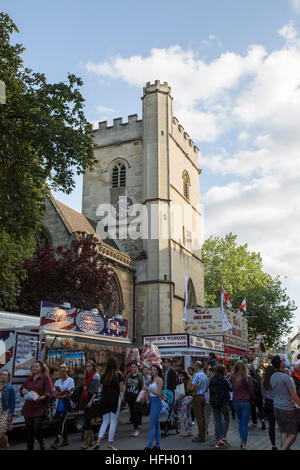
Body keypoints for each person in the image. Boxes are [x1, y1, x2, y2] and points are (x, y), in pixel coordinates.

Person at [20, 360, 53, 450]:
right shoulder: (29, 379)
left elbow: (49, 391)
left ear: (41, 368)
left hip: (39, 406)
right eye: (33, 366)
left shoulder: (45, 377)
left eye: (36, 366)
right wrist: (23, 391)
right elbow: (22, 389)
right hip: (28, 406)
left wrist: (43, 397)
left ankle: (41, 442)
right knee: (29, 431)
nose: (34, 368)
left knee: (36, 429)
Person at [92, 356, 123, 450]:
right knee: (113, 422)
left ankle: (98, 442)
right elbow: (121, 388)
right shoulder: (118, 374)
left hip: (105, 399)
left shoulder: (103, 375)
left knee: (105, 421)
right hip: (114, 399)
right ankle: (110, 444)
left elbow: (100, 390)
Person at [270, 355, 300, 450]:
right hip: (286, 408)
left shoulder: (272, 377)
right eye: (282, 362)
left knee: (283, 432)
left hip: (276, 408)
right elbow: (293, 395)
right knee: (293, 434)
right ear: (280, 364)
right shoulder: (285, 377)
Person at [229, 360, 255, 450]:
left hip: (236, 401)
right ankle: (244, 444)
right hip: (245, 401)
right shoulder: (247, 378)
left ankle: (241, 439)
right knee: (244, 423)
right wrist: (253, 399)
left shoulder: (232, 377)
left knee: (240, 422)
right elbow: (251, 391)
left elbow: (231, 388)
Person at [50, 364, 74, 449]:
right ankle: (66, 440)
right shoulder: (57, 381)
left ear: (67, 371)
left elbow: (69, 393)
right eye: (60, 371)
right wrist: (61, 395)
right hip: (57, 404)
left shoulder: (70, 380)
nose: (62, 373)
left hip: (65, 404)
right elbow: (54, 393)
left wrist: (61, 395)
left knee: (61, 421)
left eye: (63, 371)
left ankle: (57, 441)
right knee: (61, 422)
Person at [209, 365, 232, 448]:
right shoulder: (223, 380)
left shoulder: (212, 379)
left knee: (217, 420)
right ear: (223, 371)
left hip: (214, 402)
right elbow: (231, 389)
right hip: (223, 402)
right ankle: (223, 438)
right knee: (226, 419)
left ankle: (218, 439)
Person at [80, 360, 100, 449]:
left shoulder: (96, 375)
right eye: (87, 366)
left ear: (93, 367)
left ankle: (86, 441)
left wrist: (91, 401)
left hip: (92, 399)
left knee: (88, 419)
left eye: (90, 366)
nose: (88, 368)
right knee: (87, 419)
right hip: (86, 398)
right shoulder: (86, 375)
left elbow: (96, 390)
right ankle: (91, 439)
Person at [143, 365, 164, 450]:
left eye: (154, 370)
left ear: (158, 371)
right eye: (151, 370)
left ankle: (149, 446)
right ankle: (157, 445)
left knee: (152, 425)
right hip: (152, 402)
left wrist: (148, 389)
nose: (152, 371)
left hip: (156, 402)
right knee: (156, 425)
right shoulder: (152, 380)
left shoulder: (159, 380)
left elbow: (159, 393)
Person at [189, 361, 208, 443]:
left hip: (197, 397)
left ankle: (201, 436)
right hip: (203, 397)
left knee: (199, 418)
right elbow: (206, 388)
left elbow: (192, 388)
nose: (194, 368)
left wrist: (189, 389)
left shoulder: (197, 375)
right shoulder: (204, 375)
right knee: (202, 417)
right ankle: (202, 434)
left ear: (197, 366)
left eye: (194, 366)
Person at [124, 361, 144, 437]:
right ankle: (136, 427)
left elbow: (143, 386)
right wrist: (123, 395)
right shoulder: (129, 375)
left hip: (137, 397)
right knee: (132, 413)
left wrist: (143, 396)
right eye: (131, 367)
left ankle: (136, 430)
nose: (133, 368)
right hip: (129, 397)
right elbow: (125, 385)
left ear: (137, 367)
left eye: (134, 367)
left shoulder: (139, 375)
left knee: (135, 412)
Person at [261, 365, 277, 450]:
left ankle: (273, 444)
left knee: (271, 425)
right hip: (277, 403)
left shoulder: (263, 381)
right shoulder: (275, 381)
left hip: (268, 403)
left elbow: (263, 394)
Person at [0, 370, 16, 450]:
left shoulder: (10, 387)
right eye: (1, 374)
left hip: (4, 412)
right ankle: (6, 445)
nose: (2, 376)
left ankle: (6, 445)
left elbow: (12, 402)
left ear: (8, 377)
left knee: (1, 433)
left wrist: (10, 414)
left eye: (5, 375)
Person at [248, 365, 266, 430]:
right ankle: (263, 420)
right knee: (260, 408)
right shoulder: (258, 376)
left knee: (253, 408)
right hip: (259, 394)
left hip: (252, 394)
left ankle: (254, 422)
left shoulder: (248, 377)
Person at [177, 370, 193, 437]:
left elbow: (182, 392)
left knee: (184, 415)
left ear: (180, 375)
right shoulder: (189, 379)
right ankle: (190, 431)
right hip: (190, 398)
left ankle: (186, 431)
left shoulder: (181, 381)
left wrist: (178, 398)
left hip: (184, 399)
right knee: (189, 415)